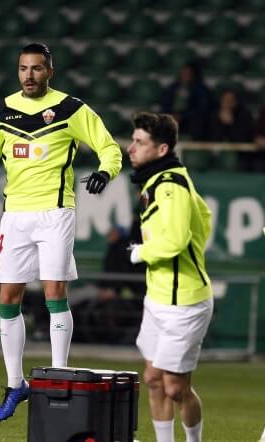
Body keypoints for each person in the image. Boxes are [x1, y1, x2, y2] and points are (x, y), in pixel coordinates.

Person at [0, 42, 122, 422]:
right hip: (15, 214)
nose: (28, 75)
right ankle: (16, 384)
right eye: (22, 69)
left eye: (36, 69)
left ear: (50, 71)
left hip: (55, 211)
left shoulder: (71, 109)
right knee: (8, 297)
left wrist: (104, 172)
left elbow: (109, 148)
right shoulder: (1, 111)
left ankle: (58, 375)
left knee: (54, 291)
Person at [127, 112, 213, 442]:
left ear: (161, 150)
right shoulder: (158, 180)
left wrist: (140, 253)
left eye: (139, 142)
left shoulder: (170, 186)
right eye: (132, 140)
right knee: (152, 378)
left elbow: (176, 241)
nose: (130, 148)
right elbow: (204, 216)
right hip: (159, 296)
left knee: (176, 387)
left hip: (185, 302)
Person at [160, 61, 214, 141]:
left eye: (188, 73)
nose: (185, 75)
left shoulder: (201, 89)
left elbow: (202, 108)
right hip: (172, 117)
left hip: (190, 119)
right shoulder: (172, 88)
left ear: (194, 75)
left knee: (199, 123)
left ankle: (195, 149)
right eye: (183, 73)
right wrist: (171, 116)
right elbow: (164, 104)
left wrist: (183, 116)